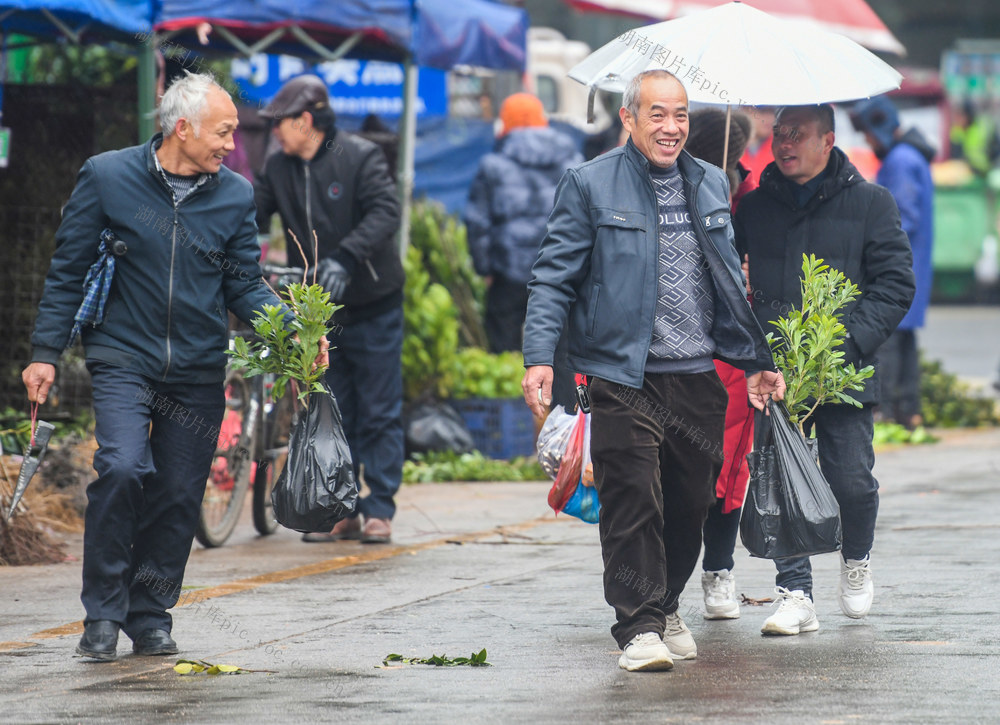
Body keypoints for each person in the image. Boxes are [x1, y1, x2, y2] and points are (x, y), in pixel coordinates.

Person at [22, 72, 309, 661]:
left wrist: (293, 334)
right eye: (223, 132)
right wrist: (45, 353)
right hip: (122, 356)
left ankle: (149, 611)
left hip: (199, 364)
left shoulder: (232, 194)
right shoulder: (108, 177)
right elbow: (67, 271)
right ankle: (102, 613)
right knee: (123, 468)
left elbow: (244, 286)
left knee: (178, 493)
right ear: (182, 128)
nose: (232, 144)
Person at [521, 70, 785, 672]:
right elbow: (552, 277)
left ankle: (665, 603)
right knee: (631, 498)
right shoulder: (589, 184)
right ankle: (637, 626)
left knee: (692, 501)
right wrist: (539, 357)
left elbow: (726, 283)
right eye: (658, 115)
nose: (672, 128)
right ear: (629, 118)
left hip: (696, 374)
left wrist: (755, 363)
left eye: (681, 116)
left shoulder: (711, 181)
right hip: (620, 374)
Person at [734, 104, 915, 636]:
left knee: (852, 481)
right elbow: (727, 281)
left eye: (797, 135)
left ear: (829, 140)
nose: (784, 143)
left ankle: (856, 558)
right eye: (778, 134)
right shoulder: (754, 209)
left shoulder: (871, 203)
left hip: (844, 370)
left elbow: (895, 284)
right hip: (777, 371)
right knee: (783, 482)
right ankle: (795, 593)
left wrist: (849, 343)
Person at [254, 74, 405, 545]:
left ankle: (379, 508)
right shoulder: (278, 168)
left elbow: (386, 211)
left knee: (379, 409)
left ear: (305, 121)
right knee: (332, 411)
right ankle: (343, 509)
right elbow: (254, 217)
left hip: (374, 302)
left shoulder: (359, 155)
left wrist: (345, 257)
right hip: (321, 314)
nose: (274, 132)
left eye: (280, 123)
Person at [683, 108, 756, 620]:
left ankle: (719, 570)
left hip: (731, 350)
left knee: (729, 468)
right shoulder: (668, 188)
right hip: (679, 348)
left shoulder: (748, 198)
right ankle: (666, 589)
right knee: (680, 469)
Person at [464, 92, 583, 354]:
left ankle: (509, 394)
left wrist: (485, 269)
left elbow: (478, 223)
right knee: (559, 351)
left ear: (505, 122)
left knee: (503, 347)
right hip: (560, 272)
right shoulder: (573, 162)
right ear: (542, 119)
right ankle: (557, 396)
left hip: (508, 273)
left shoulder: (493, 165)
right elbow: (585, 219)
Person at [850, 96, 935, 429]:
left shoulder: (900, 160)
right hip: (914, 262)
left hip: (898, 266)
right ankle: (909, 412)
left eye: (869, 133)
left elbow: (900, 217)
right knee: (906, 339)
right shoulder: (911, 156)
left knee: (889, 340)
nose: (867, 142)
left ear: (880, 126)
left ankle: (884, 413)